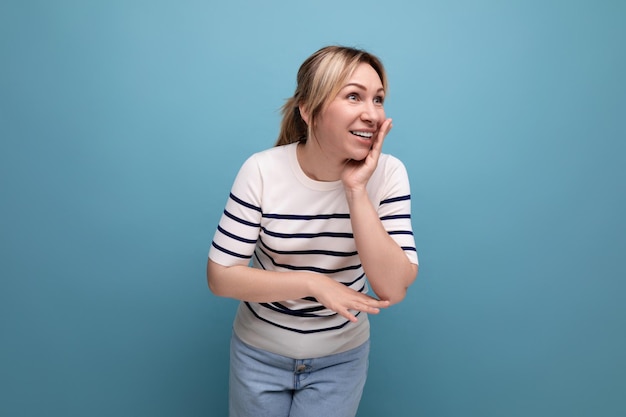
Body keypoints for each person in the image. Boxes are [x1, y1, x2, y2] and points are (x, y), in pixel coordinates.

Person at [206, 45, 419, 417]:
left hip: (341, 360)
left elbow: (393, 287)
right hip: (258, 354)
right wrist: (312, 283)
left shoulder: (388, 174)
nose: (372, 114)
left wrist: (356, 191)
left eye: (378, 99)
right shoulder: (261, 171)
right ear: (309, 110)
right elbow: (221, 278)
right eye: (354, 96)